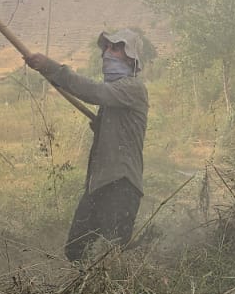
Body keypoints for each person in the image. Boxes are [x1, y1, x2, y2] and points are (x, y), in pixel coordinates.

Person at [24, 30, 149, 262]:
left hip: (122, 184)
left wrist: (50, 67)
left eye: (115, 48)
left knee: (114, 257)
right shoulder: (114, 96)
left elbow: (93, 91)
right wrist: (101, 126)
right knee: (75, 250)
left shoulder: (132, 88)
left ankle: (145, 258)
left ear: (131, 59)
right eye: (106, 48)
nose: (107, 53)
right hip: (99, 183)